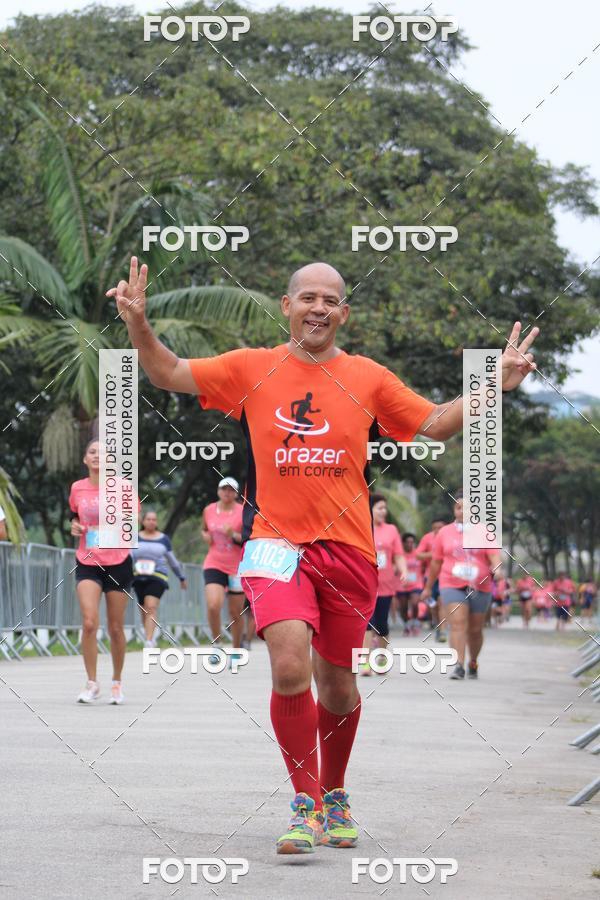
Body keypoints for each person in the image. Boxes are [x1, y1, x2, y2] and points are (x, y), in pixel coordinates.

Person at [108, 256, 538, 855]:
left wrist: (494, 382)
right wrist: (137, 324)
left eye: (329, 300)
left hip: (349, 553)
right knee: (289, 667)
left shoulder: (367, 377)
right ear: (286, 306)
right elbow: (167, 372)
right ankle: (304, 803)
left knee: (338, 684)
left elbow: (435, 424)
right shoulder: (251, 368)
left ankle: (334, 791)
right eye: (306, 297)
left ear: (344, 312)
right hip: (275, 546)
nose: (318, 307)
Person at [69, 440, 137, 705]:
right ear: (85, 459)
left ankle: (117, 683)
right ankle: (92, 683)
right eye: (92, 452)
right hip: (87, 559)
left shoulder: (124, 487)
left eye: (104, 453)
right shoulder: (77, 488)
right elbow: (73, 516)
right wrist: (74, 526)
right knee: (88, 622)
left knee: (116, 628)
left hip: (118, 561)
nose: (98, 456)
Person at [421, 495, 503, 680]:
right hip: (451, 583)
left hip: (480, 586)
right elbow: (435, 563)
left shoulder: (485, 531)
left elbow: (494, 557)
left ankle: (473, 661)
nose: (462, 511)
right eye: (459, 507)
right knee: (457, 624)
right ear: (454, 510)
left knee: (475, 629)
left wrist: (498, 571)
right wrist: (428, 587)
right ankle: (458, 665)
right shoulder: (445, 533)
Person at [359, 494, 406, 677]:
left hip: (386, 584)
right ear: (369, 510)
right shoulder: (362, 527)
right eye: (379, 507)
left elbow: (399, 555)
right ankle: (365, 663)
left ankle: (382, 658)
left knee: (382, 624)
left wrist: (403, 570)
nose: (383, 511)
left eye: (384, 508)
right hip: (365, 584)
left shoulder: (391, 530)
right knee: (367, 624)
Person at [202, 477, 245, 663]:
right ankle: (216, 645)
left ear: (236, 493)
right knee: (213, 605)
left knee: (235, 612)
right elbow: (204, 529)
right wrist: (205, 536)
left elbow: (249, 537)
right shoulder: (209, 510)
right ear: (219, 491)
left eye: (231, 490)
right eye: (224, 489)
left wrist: (233, 535)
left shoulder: (244, 511)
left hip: (236, 565)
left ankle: (236, 650)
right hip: (214, 562)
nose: (227, 493)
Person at [132, 510, 187, 647]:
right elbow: (128, 556)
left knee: (151, 606)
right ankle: (149, 636)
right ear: (143, 521)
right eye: (148, 519)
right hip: (138, 577)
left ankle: (149, 641)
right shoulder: (134, 537)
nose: (151, 522)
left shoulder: (164, 539)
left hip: (158, 576)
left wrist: (181, 576)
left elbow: (172, 561)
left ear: (156, 523)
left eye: (154, 520)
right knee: (143, 608)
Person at [416, 518, 446, 641]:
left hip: (446, 576)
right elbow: (418, 554)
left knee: (442, 602)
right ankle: (437, 624)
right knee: (433, 606)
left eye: (440, 527)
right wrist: (433, 555)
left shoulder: (449, 536)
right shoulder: (427, 538)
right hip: (430, 578)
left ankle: (443, 631)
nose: (438, 530)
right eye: (435, 528)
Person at [395, 533, 424, 636]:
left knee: (415, 603)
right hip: (401, 585)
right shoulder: (398, 555)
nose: (410, 544)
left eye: (412, 542)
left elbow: (425, 565)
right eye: (408, 542)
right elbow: (393, 569)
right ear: (403, 543)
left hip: (416, 584)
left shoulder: (418, 554)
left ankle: (414, 622)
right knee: (403, 607)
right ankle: (406, 624)